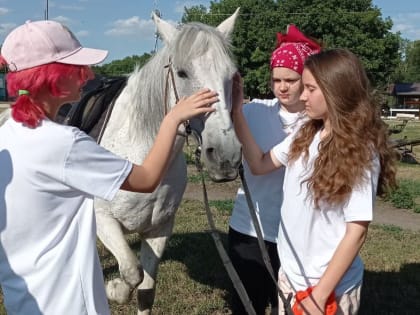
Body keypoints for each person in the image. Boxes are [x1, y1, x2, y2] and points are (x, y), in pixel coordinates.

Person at [0, 20, 218, 315]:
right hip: (70, 304)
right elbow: (147, 178)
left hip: (24, 299)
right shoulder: (66, 144)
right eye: (75, 69)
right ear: (51, 79)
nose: (87, 76)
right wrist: (173, 118)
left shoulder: (8, 133)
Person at [231, 48, 397, 315]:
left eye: (310, 88)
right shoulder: (305, 134)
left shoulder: (361, 151)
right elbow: (260, 164)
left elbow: (357, 231)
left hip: (328, 288)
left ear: (335, 91)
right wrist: (238, 113)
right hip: (291, 278)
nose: (302, 95)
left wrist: (319, 296)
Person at [227, 25, 320, 315]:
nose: (282, 87)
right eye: (276, 79)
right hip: (249, 228)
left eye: (291, 80)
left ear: (306, 80)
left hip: (297, 236)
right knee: (247, 306)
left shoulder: (317, 124)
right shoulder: (253, 112)